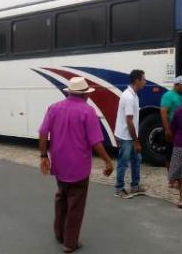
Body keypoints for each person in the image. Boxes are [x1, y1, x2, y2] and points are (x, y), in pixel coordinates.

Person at [39, 77, 114, 253]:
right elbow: (96, 142)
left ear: (69, 92)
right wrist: (108, 161)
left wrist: (43, 155)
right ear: (85, 95)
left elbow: (43, 133)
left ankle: (59, 234)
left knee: (61, 198)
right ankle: (70, 243)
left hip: (59, 165)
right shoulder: (88, 112)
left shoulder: (54, 107)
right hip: (79, 168)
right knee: (76, 205)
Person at [114, 69, 147, 199]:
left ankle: (135, 186)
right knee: (124, 162)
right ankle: (119, 188)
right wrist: (136, 141)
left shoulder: (133, 95)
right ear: (137, 80)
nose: (145, 81)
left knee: (136, 159)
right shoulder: (128, 97)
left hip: (129, 135)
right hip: (125, 136)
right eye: (143, 79)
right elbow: (129, 121)